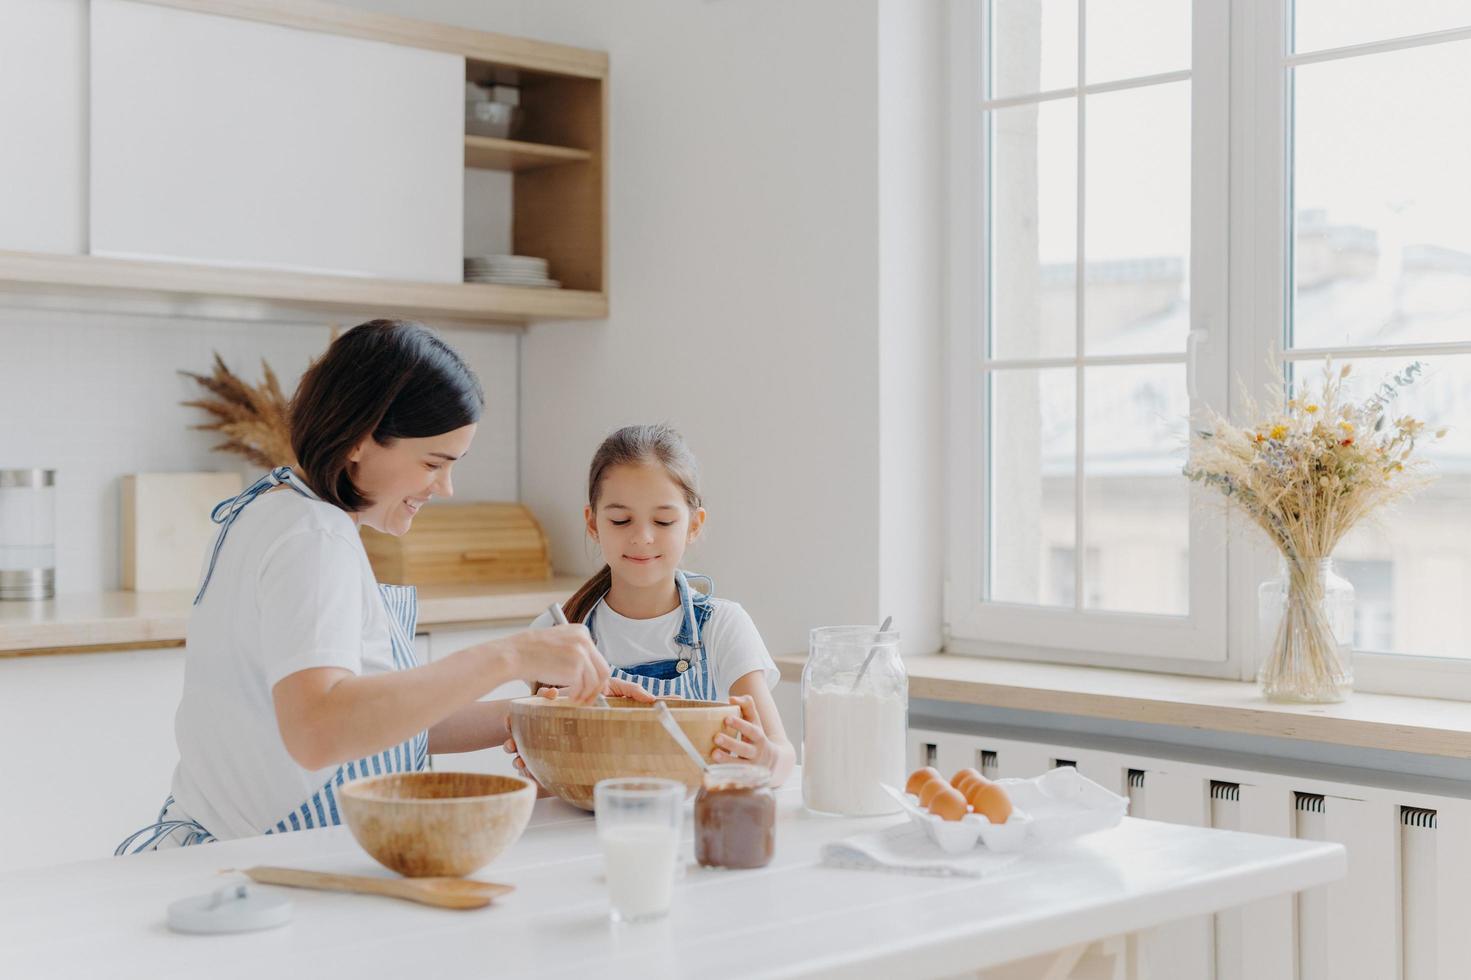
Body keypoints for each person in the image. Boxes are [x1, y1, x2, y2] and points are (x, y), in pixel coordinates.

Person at [117, 319, 641, 852]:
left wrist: (536, 715)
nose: (446, 487)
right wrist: (511, 656)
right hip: (269, 864)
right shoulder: (315, 538)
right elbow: (320, 730)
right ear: (362, 439)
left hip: (232, 855)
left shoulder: (272, 508)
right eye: (434, 463)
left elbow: (374, 726)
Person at [520, 424, 796, 786]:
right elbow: (545, 786)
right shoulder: (557, 630)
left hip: (696, 831)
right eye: (621, 519)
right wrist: (539, 761)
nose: (642, 537)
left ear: (693, 525)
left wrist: (766, 759)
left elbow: (783, 758)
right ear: (592, 523)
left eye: (663, 521)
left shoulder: (722, 626)